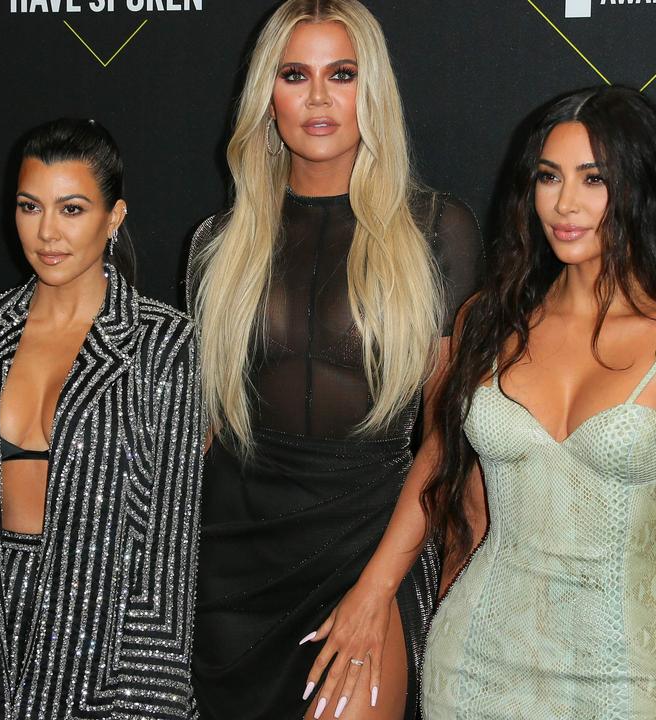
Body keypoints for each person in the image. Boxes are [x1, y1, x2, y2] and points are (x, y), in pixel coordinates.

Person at [415, 86, 656, 718]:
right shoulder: (489, 322)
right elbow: (455, 500)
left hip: (629, 675)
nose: (565, 204)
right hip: (475, 662)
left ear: (642, 188)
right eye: (549, 177)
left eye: (593, 179)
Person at [185, 1, 482, 718]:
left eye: (341, 74)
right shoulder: (217, 245)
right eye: (295, 74)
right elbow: (206, 431)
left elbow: (445, 437)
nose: (318, 97)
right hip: (230, 562)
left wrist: (377, 589)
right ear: (267, 96)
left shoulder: (436, 230)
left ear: (371, 89)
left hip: (368, 540)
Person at [0, 119, 205, 720]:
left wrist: (148, 693)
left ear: (114, 218)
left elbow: (168, 540)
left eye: (72, 209)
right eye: (30, 207)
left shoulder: (164, 344)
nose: (48, 232)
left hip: (99, 644)